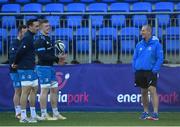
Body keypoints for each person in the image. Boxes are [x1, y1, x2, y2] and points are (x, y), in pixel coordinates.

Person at [34, 19, 66, 120]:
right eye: (46, 26)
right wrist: (57, 58)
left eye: (49, 25)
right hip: (43, 68)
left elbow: (50, 55)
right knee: (44, 91)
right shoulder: (39, 40)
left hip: (50, 68)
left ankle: (55, 113)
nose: (49, 27)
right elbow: (42, 56)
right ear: (40, 28)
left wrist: (58, 58)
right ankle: (44, 114)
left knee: (54, 90)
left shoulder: (49, 39)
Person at [132, 25, 163, 120]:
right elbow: (134, 58)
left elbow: (160, 58)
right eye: (141, 31)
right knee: (143, 92)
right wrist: (135, 69)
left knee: (152, 90)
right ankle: (145, 112)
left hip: (151, 71)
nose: (141, 32)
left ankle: (155, 113)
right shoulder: (139, 44)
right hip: (140, 71)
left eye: (143, 31)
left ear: (149, 32)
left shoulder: (156, 44)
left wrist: (155, 70)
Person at [11, 19, 40, 123]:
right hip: (25, 68)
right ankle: (23, 116)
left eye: (38, 26)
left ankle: (32, 115)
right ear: (30, 26)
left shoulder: (31, 37)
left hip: (31, 67)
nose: (38, 28)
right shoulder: (27, 38)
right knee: (25, 91)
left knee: (34, 89)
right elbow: (19, 52)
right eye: (36, 26)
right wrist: (15, 63)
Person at [9, 25, 27, 119]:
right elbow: (12, 57)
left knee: (25, 91)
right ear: (20, 32)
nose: (26, 34)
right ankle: (17, 112)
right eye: (24, 32)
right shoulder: (15, 43)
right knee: (18, 91)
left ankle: (23, 111)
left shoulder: (26, 42)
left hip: (24, 70)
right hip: (15, 70)